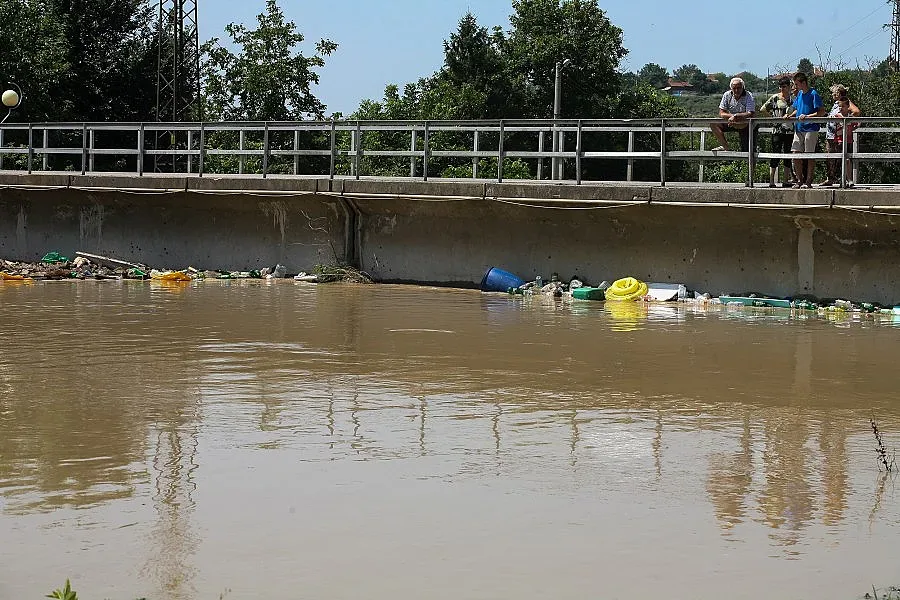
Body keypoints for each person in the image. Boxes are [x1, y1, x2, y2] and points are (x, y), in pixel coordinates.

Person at [784, 71, 825, 188]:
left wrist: (808, 117)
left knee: (809, 155)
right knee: (796, 153)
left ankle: (808, 181)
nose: (795, 87)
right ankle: (799, 180)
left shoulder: (813, 94)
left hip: (811, 128)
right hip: (799, 127)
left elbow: (821, 112)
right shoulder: (800, 95)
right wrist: (790, 116)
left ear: (803, 83)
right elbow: (798, 109)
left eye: (796, 84)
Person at [759, 76, 795, 187]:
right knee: (775, 154)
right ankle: (771, 181)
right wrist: (772, 119)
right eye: (781, 87)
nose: (782, 89)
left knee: (788, 155)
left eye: (784, 86)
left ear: (789, 87)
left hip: (790, 130)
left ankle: (785, 180)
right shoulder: (775, 98)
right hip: (777, 130)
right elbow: (763, 109)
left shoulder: (794, 99)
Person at [821, 84, 861, 186]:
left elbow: (856, 111)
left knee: (841, 158)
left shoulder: (845, 102)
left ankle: (843, 179)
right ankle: (831, 178)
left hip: (840, 136)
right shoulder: (836, 104)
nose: (832, 94)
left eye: (834, 92)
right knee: (830, 157)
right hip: (831, 134)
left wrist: (847, 122)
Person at [710, 77, 756, 151]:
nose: (737, 90)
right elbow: (721, 113)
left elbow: (750, 113)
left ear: (743, 87)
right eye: (734, 88)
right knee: (713, 123)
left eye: (739, 88)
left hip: (745, 124)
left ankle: (748, 160)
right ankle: (726, 147)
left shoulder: (748, 95)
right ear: (731, 88)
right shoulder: (727, 95)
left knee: (747, 151)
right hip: (732, 121)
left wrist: (737, 116)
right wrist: (733, 116)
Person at [832, 96, 859, 187]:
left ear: (848, 107)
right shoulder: (837, 116)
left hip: (849, 141)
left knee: (848, 159)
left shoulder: (850, 117)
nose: (840, 108)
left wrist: (853, 127)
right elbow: (837, 126)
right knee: (841, 160)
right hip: (840, 141)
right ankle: (842, 179)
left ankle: (849, 179)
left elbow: (857, 124)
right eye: (839, 107)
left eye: (842, 106)